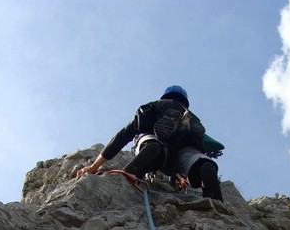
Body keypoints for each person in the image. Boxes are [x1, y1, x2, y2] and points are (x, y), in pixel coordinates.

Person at [76, 85, 223, 202]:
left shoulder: (152, 107)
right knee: (202, 163)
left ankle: (132, 174)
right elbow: (205, 142)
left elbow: (121, 137)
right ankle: (214, 202)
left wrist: (94, 166)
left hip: (157, 150)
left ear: (165, 97)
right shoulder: (191, 118)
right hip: (181, 153)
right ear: (185, 102)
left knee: (153, 144)